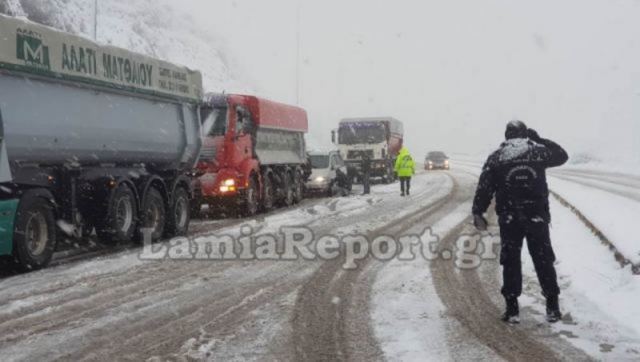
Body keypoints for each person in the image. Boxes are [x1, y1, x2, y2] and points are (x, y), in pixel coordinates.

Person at [472, 120, 568, 324]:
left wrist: (478, 211)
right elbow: (562, 155)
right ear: (525, 134)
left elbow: (484, 187)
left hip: (510, 219)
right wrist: (538, 139)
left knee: (510, 261)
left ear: (507, 135)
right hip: (537, 217)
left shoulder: (497, 157)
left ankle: (512, 309)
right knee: (543, 261)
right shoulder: (536, 151)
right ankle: (552, 307)